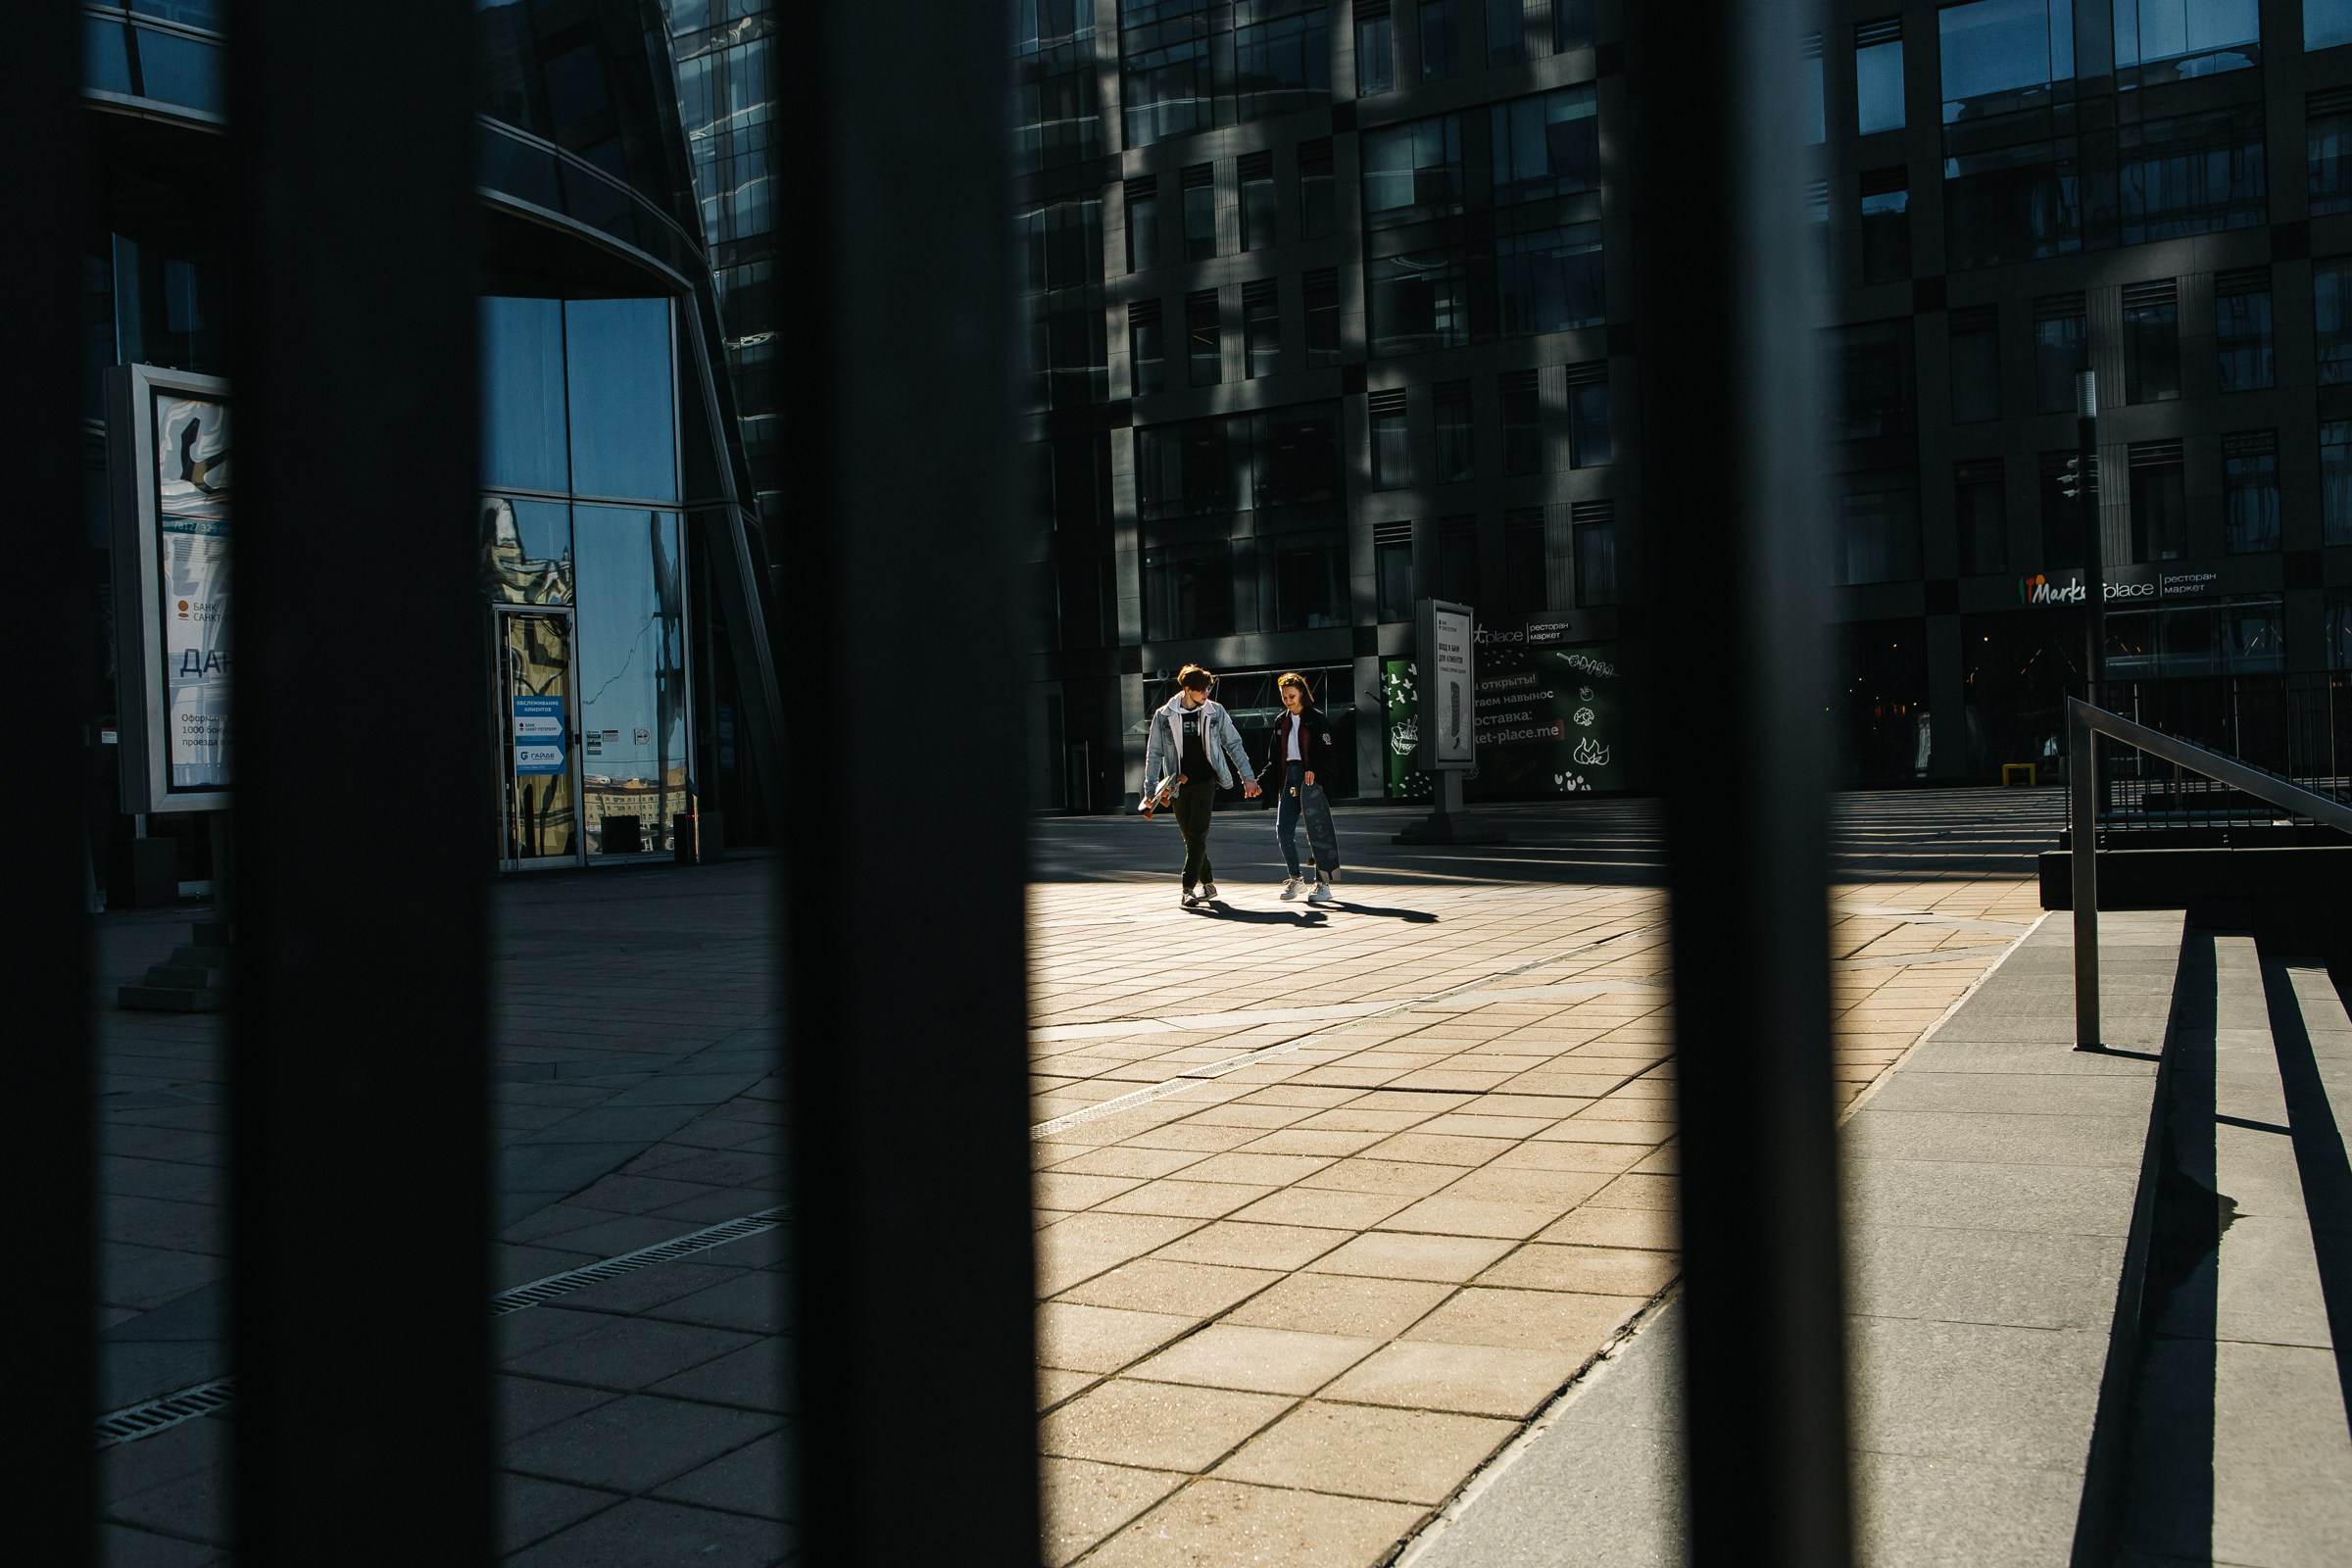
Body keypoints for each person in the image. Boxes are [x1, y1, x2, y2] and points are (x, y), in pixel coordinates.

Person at [1141, 665, 1260, 906]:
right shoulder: (1164, 716)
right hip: (1176, 785)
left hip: (1206, 781)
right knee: (1191, 838)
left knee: (1197, 835)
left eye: (1208, 688)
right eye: (1202, 689)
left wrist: (1247, 777)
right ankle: (1209, 884)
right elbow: (1153, 754)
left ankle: (1187, 889)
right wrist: (1150, 790)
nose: (1207, 693)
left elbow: (1234, 745)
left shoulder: (1215, 711)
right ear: (1187, 689)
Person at [1264, 672, 1338, 904]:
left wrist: (1315, 771)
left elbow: (1329, 755)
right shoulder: (1281, 721)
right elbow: (1274, 760)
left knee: (1317, 833)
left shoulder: (1316, 719)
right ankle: (1296, 878)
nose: (1288, 701)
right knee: (1283, 829)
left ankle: (1323, 884)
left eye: (1292, 696)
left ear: (1302, 694)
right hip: (1288, 779)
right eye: (1284, 697)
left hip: (1311, 781)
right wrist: (1257, 782)